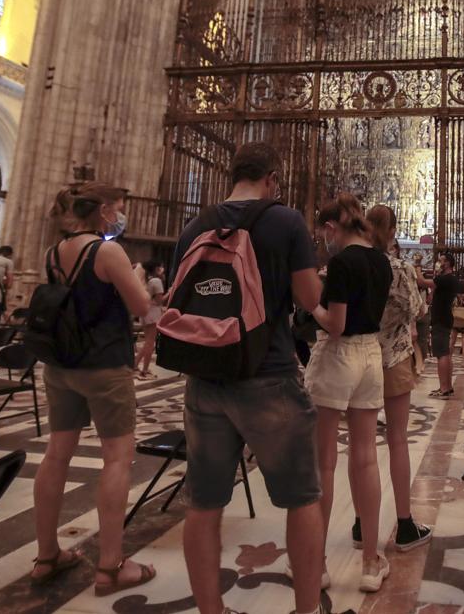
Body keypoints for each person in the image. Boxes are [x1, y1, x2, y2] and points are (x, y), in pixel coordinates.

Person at [175, 144, 325, 614]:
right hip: (269, 374)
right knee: (301, 499)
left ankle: (211, 611)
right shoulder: (284, 221)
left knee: (204, 504)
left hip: (205, 376)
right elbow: (307, 297)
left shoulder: (196, 225)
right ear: (273, 178)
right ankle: (305, 610)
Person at [30, 182, 156, 597]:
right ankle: (111, 565)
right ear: (102, 211)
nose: (120, 216)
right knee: (117, 458)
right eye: (118, 209)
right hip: (104, 365)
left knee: (56, 454)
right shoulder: (106, 251)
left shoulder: (52, 253)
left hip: (61, 365)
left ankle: (47, 555)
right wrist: (147, 284)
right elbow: (142, 308)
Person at [305, 194, 393, 592]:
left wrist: (310, 305)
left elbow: (334, 324)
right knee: (366, 459)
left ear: (330, 228)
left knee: (324, 461)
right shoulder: (381, 259)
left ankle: (317, 564)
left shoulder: (341, 262)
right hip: (371, 356)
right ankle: (371, 564)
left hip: (340, 356)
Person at [355, 205, 433, 554]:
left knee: (362, 445)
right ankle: (404, 526)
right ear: (393, 232)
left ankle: (361, 523)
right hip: (395, 357)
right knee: (397, 439)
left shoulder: (354, 264)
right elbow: (418, 310)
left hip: (360, 358)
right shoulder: (400, 268)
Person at [425, 253, 463, 398]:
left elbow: (422, 282)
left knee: (441, 354)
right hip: (443, 317)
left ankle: (444, 388)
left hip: (441, 319)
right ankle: (447, 386)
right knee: (445, 353)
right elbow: (431, 296)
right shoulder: (447, 279)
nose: (438, 263)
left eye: (440, 261)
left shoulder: (446, 278)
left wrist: (416, 266)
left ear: (447, 264)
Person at [134, 260, 166, 380]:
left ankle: (135, 365)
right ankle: (145, 370)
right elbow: (159, 301)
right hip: (153, 314)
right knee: (150, 343)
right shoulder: (157, 281)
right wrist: (171, 291)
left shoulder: (148, 280)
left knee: (147, 342)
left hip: (146, 313)